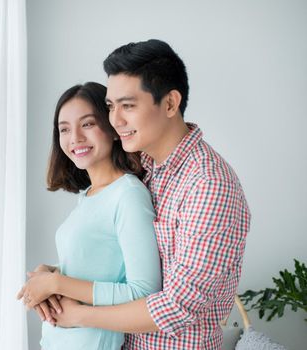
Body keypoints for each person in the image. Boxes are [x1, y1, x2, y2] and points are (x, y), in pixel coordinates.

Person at [48, 39, 251, 350]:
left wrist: (78, 315)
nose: (115, 121)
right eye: (111, 107)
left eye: (128, 106)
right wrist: (54, 278)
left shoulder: (209, 185)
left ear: (170, 103)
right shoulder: (148, 169)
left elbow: (176, 307)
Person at [17, 82, 161, 350]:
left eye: (87, 124)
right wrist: (50, 275)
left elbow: (143, 292)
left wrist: (56, 283)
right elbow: (100, 267)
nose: (75, 138)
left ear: (113, 129)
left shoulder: (128, 195)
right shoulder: (90, 195)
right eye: (64, 129)